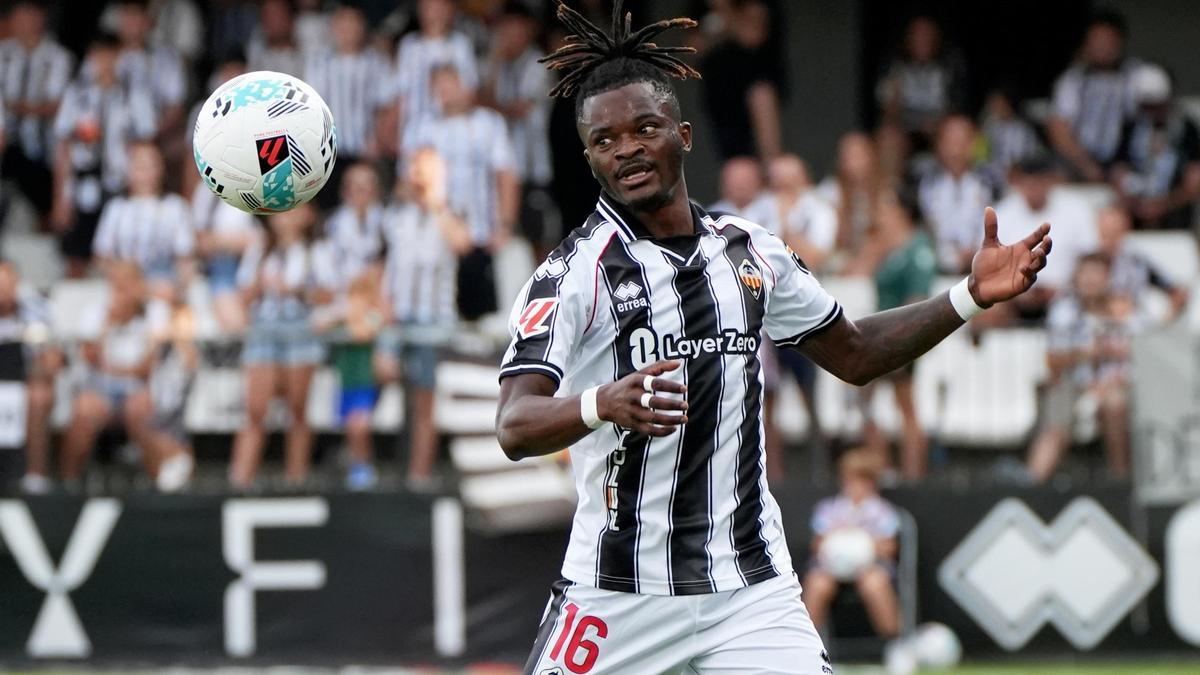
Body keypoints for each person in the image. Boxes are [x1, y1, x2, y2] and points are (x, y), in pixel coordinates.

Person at [495, 3, 1050, 673]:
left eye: (645, 128)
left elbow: (855, 352)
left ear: (684, 135)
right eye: (605, 140)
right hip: (618, 590)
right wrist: (599, 404)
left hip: (749, 590)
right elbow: (514, 425)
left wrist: (967, 296)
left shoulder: (750, 252)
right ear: (589, 157)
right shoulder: (571, 275)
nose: (628, 149)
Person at [378, 147, 472, 487]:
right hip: (398, 319)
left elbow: (462, 244)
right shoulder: (396, 216)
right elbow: (388, 268)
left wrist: (436, 203)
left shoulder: (449, 212)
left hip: (435, 321)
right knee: (380, 381)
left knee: (424, 401)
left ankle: (418, 475)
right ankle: (375, 469)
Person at [403, 62, 518, 320]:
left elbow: (506, 175)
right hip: (436, 234)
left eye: (450, 83)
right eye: (438, 85)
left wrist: (505, 225)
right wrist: (444, 219)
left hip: (483, 232)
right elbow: (412, 182)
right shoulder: (422, 127)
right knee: (437, 308)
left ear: (466, 86)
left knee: (482, 313)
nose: (445, 90)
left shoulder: (490, 123)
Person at [230, 204, 334, 489]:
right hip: (264, 328)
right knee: (255, 409)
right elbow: (244, 295)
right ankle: (241, 479)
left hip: (298, 329)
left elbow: (327, 294)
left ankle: (296, 478)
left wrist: (295, 290)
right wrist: (262, 284)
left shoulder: (315, 251)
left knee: (297, 408)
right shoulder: (260, 250)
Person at [51, 32, 156, 278]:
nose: (105, 62)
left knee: (121, 253)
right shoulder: (77, 94)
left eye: (110, 54)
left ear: (119, 56)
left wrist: (140, 187)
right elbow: (64, 147)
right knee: (76, 250)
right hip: (83, 183)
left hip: (120, 183)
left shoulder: (133, 95)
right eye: (99, 55)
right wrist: (60, 197)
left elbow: (144, 145)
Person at [846, 193, 936, 480]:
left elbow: (919, 296)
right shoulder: (889, 246)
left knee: (904, 403)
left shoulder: (918, 248)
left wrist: (905, 337)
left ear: (901, 212)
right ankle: (881, 468)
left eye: (886, 209)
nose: (880, 215)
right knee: (865, 400)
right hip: (878, 335)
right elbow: (856, 270)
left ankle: (911, 476)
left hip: (900, 335)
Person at [1027, 253, 1138, 483]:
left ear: (1109, 278)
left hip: (1117, 385)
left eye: (1097, 274)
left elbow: (1142, 355)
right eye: (1085, 273)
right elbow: (1052, 360)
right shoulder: (1064, 310)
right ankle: (1032, 484)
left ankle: (1121, 481)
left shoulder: (1125, 311)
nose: (1090, 280)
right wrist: (1087, 353)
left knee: (1115, 403)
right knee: (1057, 413)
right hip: (1073, 383)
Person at [60, 263, 169, 483]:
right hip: (101, 390)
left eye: (129, 284)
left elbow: (147, 367)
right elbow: (90, 358)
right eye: (118, 285)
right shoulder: (96, 312)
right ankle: (68, 482)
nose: (124, 291)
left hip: (140, 391)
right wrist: (107, 325)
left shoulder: (156, 312)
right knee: (84, 409)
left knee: (139, 409)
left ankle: (157, 483)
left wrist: (114, 369)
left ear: (140, 286)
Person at [480, 1, 557, 257]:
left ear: (529, 30)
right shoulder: (497, 64)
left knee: (539, 238)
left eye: (516, 29)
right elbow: (484, 99)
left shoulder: (539, 62)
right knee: (508, 240)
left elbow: (520, 108)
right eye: (504, 30)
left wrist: (488, 105)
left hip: (534, 168)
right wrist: (494, 59)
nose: (510, 36)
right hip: (504, 170)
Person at [801, 448, 902, 642]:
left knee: (876, 584)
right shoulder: (829, 509)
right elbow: (817, 544)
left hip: (870, 567)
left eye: (863, 481)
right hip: (831, 568)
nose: (856, 486)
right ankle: (806, 642)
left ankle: (893, 641)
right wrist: (835, 543)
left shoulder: (882, 511)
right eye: (851, 480)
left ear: (873, 483)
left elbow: (890, 547)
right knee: (817, 584)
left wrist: (864, 545)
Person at [304, 4, 393, 211]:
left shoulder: (376, 62)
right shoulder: (319, 62)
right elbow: (310, 107)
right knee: (328, 207)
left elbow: (385, 106)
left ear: (362, 27)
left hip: (365, 149)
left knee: (368, 208)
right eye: (343, 24)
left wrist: (378, 141)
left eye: (353, 23)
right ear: (333, 27)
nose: (348, 30)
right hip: (328, 151)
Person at [993, 152, 1098, 319]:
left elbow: (1090, 258)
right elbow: (994, 265)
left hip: (1066, 295)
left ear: (1051, 180)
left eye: (1040, 181)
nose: (1034, 188)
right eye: (1029, 182)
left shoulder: (1076, 209)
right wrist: (1017, 292)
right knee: (988, 311)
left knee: (1065, 314)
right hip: (1013, 297)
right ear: (1018, 182)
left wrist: (1063, 288)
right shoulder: (1002, 213)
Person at [0, 0, 74, 224]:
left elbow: (58, 105)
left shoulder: (59, 57)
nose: (25, 21)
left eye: (30, 14)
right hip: (7, 145)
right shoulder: (3, 53)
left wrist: (14, 106)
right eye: (19, 15)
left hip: (44, 150)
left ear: (41, 18)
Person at [92, 142, 194, 301]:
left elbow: (185, 258)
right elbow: (102, 258)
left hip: (164, 286)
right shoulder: (116, 208)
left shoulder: (175, 207)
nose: (145, 174)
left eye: (150, 166)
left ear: (161, 169)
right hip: (124, 287)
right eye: (139, 166)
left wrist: (178, 290)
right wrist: (129, 282)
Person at [1047, 10, 1140, 182]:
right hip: (1079, 162)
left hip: (1123, 163)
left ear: (1120, 42)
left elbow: (1145, 121)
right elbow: (1057, 127)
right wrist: (1086, 164)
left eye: (1108, 41)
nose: (1102, 47)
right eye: (1097, 40)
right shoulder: (1073, 80)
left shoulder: (1135, 75)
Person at [1110, 63, 1200, 230]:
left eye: (1156, 105)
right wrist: (1135, 203)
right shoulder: (1131, 128)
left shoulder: (1186, 129)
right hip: (1135, 206)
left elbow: (1194, 179)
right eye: (1146, 106)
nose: (1151, 112)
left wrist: (1163, 204)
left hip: (1174, 211)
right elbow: (1118, 171)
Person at [0, 261, 60, 495]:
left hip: (24, 379)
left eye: (7, 284)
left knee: (38, 397)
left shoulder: (36, 310)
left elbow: (52, 359)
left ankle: (34, 476)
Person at [697, 0, 783, 161]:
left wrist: (723, 10)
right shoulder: (700, 7)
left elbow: (752, 36)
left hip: (755, 85)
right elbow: (692, 46)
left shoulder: (754, 5)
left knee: (769, 155)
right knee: (735, 160)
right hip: (719, 91)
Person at [918, 115, 999, 274]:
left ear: (974, 143)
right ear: (938, 146)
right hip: (938, 269)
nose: (956, 150)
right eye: (949, 142)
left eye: (962, 142)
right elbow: (926, 229)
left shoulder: (992, 184)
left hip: (982, 267)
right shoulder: (926, 185)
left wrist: (976, 250)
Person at [875, 15, 966, 152]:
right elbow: (886, 115)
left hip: (938, 128)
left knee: (956, 132)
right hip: (904, 130)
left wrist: (937, 124)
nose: (922, 42)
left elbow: (956, 108)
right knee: (888, 135)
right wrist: (895, 96)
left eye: (927, 36)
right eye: (917, 37)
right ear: (908, 39)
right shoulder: (895, 68)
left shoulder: (948, 68)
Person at [393, 0, 478, 129]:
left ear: (450, 10)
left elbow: (469, 91)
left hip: (452, 127)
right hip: (414, 127)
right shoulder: (409, 45)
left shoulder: (460, 44)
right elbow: (400, 92)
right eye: (429, 7)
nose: (435, 13)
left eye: (440, 7)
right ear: (420, 10)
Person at [1097, 206, 1189, 321]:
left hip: (1131, 321)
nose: (1110, 238)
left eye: (1114, 231)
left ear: (1125, 229)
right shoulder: (1085, 261)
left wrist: (1168, 315)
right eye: (1105, 232)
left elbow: (1173, 289)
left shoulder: (1137, 261)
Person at [816, 132, 884, 258]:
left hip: (875, 256)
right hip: (839, 255)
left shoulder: (884, 191)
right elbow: (828, 236)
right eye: (847, 156)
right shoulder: (830, 191)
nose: (853, 163)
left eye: (858, 156)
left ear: (871, 157)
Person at [247, 0, 304, 78]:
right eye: (267, 15)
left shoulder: (308, 55)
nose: (272, 20)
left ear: (291, 18)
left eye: (278, 15)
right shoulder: (255, 55)